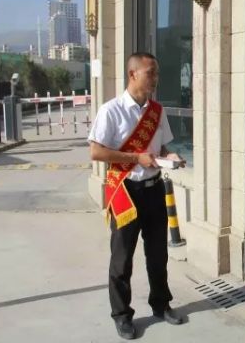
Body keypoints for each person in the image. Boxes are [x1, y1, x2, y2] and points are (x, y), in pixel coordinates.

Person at [89, 52, 185, 340]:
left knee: (158, 254)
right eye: (150, 73)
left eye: (156, 73)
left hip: (154, 189)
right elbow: (97, 151)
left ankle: (161, 304)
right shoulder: (111, 110)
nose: (155, 78)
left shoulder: (157, 111)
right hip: (125, 191)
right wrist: (135, 157)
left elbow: (162, 148)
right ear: (133, 74)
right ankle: (122, 315)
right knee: (122, 259)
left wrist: (171, 156)